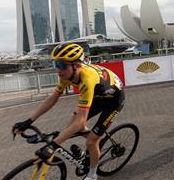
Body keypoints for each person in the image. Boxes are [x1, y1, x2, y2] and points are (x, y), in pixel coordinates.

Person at [12, 43, 124, 180]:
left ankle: (92, 174)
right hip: (98, 96)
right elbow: (53, 98)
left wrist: (52, 146)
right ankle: (87, 151)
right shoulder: (66, 76)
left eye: (62, 65)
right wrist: (28, 121)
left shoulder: (87, 80)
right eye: (56, 64)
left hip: (114, 100)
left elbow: (81, 120)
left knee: (91, 141)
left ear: (76, 65)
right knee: (71, 128)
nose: (58, 70)